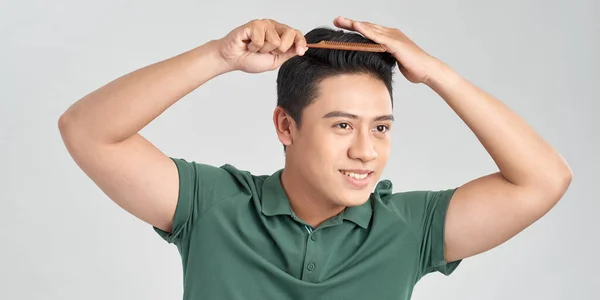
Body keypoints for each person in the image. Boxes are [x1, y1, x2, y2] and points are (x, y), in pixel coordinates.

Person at [58, 16, 572, 300]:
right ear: (286, 126)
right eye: (343, 125)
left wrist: (439, 74)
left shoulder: (409, 229)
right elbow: (88, 131)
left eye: (382, 128)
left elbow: (544, 179)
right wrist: (217, 56)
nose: (365, 152)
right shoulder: (211, 205)